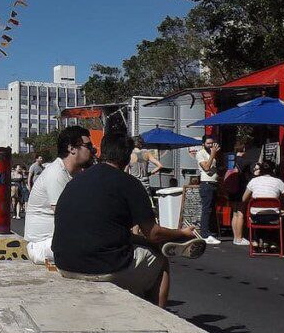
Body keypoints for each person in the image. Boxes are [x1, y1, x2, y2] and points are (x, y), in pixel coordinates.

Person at [52, 132, 204, 308]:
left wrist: (146, 241)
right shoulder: (129, 183)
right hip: (101, 267)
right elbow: (153, 233)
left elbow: (108, 229)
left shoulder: (76, 181)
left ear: (102, 151)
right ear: (127, 158)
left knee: (142, 245)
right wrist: (181, 233)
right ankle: (161, 318)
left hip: (63, 263)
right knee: (160, 260)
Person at [23, 126, 94, 265]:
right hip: (42, 244)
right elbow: (66, 216)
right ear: (72, 148)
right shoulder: (56, 173)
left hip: (58, 240)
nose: (92, 150)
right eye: (88, 146)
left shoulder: (75, 173)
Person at [241, 160, 284, 251]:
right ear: (273, 171)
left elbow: (244, 199)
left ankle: (257, 239)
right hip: (273, 216)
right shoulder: (278, 182)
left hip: (256, 216)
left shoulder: (253, 181)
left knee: (257, 214)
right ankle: (274, 241)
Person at [226, 139, 255, 246]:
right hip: (241, 188)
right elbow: (251, 173)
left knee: (234, 213)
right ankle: (239, 238)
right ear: (244, 148)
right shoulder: (245, 160)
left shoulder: (230, 158)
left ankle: (235, 237)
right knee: (241, 213)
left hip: (231, 189)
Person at [195, 135, 222, 245]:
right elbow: (206, 167)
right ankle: (204, 234)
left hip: (214, 183)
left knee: (212, 210)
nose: (210, 145)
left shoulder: (214, 153)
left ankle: (211, 232)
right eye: (208, 143)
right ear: (203, 144)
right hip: (206, 184)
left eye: (212, 143)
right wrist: (213, 154)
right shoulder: (200, 153)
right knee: (206, 209)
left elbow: (218, 167)